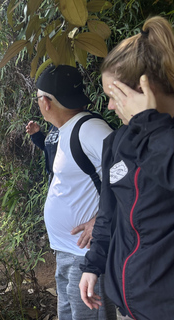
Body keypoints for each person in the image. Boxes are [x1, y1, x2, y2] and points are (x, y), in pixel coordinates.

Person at [79, 16, 174, 320]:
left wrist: (151, 126)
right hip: (127, 306)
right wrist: (93, 265)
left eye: (113, 96)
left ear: (143, 90)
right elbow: (109, 213)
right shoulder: (117, 143)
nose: (108, 106)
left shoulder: (163, 137)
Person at [35, 65, 116, 320]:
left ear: (46, 102)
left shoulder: (90, 129)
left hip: (87, 256)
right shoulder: (65, 129)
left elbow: (130, 177)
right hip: (68, 251)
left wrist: (100, 221)